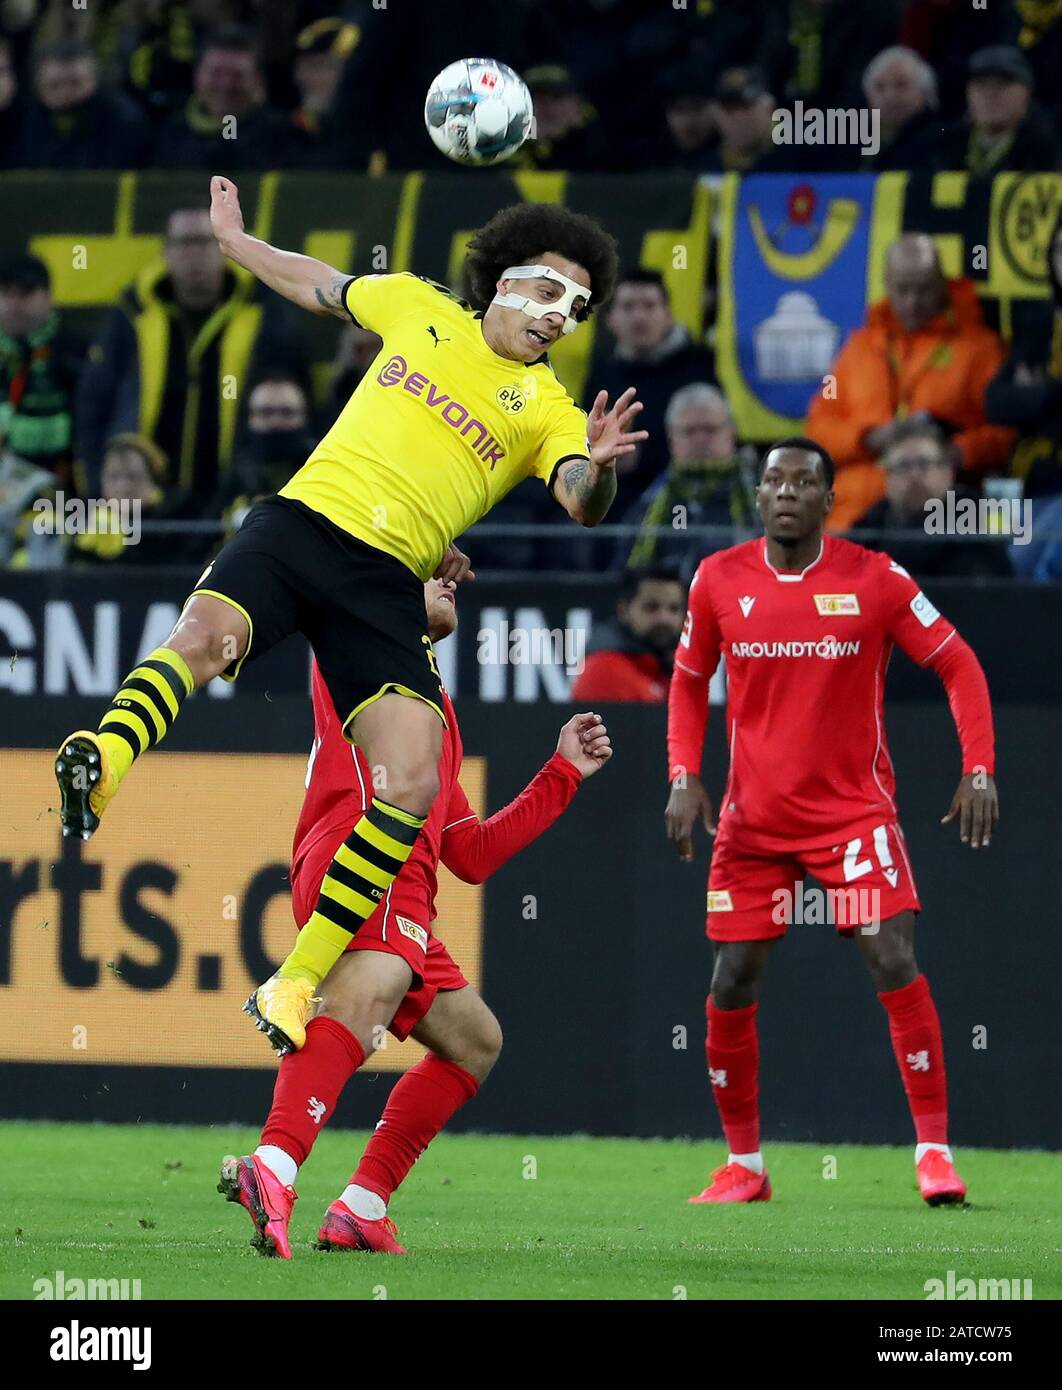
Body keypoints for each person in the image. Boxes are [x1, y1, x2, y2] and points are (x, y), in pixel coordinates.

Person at [53, 185, 645, 1061]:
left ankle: (297, 980)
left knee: (411, 782)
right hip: (304, 523)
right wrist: (236, 241)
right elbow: (318, 282)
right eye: (550, 291)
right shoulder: (421, 308)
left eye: (579, 306)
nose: (562, 315)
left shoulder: (549, 408)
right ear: (502, 281)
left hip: (386, 584)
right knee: (207, 641)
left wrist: (595, 471)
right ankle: (102, 761)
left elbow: (581, 500)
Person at [220, 577, 612, 1257]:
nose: (453, 582)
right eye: (436, 572)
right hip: (369, 856)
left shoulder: (430, 716)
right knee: (362, 999)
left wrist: (561, 773)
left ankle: (361, 1207)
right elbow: (349, 596)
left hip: (406, 886)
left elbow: (472, 852)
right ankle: (274, 1168)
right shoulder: (359, 651)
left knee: (474, 1041)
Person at [665, 437, 997, 1207]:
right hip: (753, 824)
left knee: (892, 955)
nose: (786, 492)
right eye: (774, 480)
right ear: (759, 498)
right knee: (731, 979)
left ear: (828, 499)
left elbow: (959, 663)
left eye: (803, 481)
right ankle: (744, 1167)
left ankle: (935, 1155)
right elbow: (687, 683)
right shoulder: (718, 579)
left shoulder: (875, 579)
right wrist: (684, 776)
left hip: (852, 817)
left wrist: (978, 765)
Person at [76, 205, 290, 497]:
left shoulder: (263, 314)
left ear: (225, 248)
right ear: (165, 251)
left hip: (237, 499)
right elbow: (94, 406)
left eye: (205, 241)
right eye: (184, 243)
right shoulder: (130, 315)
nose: (195, 255)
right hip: (147, 505)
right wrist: (95, 487)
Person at [806, 232, 1014, 530]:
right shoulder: (858, 348)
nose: (912, 301)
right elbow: (818, 426)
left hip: (938, 514)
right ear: (887, 286)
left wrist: (954, 454)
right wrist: (868, 438)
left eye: (924, 290)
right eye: (902, 290)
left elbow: (1005, 433)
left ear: (943, 284)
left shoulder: (980, 349)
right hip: (852, 514)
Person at [583, 268, 714, 512]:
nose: (639, 317)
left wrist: (640, 459)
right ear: (611, 319)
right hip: (611, 505)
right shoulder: (601, 374)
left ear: (668, 316)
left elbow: (712, 444)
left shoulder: (699, 369)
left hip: (685, 502)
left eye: (649, 306)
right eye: (628, 307)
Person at [621, 383, 758, 574]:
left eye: (709, 429)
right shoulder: (648, 506)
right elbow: (623, 573)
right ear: (671, 438)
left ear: (731, 432)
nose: (700, 439)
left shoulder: (759, 497)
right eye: (690, 431)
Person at [855, 421, 1011, 579]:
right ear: (887, 478)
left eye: (924, 464)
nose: (914, 475)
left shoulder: (976, 521)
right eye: (903, 466)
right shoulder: (868, 529)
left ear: (948, 472)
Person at [984, 209, 1062, 500]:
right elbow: (995, 402)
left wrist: (1038, 394)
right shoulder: (1041, 324)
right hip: (1029, 478)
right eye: (1060, 250)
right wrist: (1049, 397)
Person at [0, 252, 84, 492]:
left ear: (48, 297)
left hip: (64, 485)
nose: (14, 304)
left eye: (25, 293)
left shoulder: (76, 351)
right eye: (6, 293)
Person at [905, 46, 1057, 178]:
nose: (991, 94)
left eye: (1003, 84)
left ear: (1026, 92)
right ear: (968, 93)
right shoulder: (937, 147)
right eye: (981, 85)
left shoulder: (1049, 152)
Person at [152, 26, 291, 170]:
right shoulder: (173, 132)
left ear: (258, 80)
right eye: (216, 73)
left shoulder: (284, 135)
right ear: (197, 75)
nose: (225, 85)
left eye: (237, 75)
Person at [11, 37, 151, 170]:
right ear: (38, 86)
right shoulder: (22, 120)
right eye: (54, 85)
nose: (65, 93)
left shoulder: (124, 121)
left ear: (94, 80)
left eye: (75, 83)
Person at [571, 567, 685, 704]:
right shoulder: (605, 670)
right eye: (651, 607)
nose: (664, 618)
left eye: (674, 609)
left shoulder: (670, 669)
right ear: (624, 611)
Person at [861, 45, 939, 170]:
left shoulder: (942, 145)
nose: (890, 97)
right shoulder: (849, 147)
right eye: (880, 87)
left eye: (901, 85)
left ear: (925, 92)